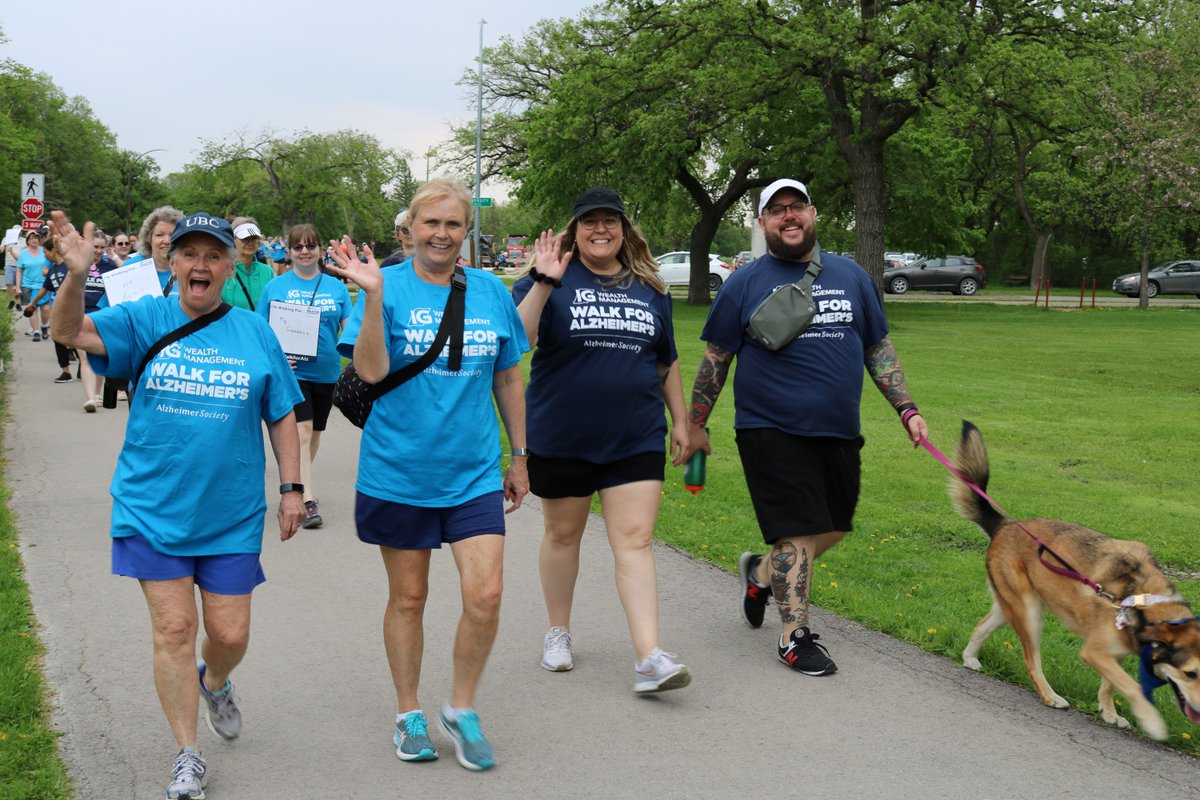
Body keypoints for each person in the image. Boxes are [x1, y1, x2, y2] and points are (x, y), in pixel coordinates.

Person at [47, 208, 305, 800]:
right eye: (189, 253)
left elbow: (284, 413)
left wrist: (293, 489)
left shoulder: (254, 331)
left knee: (230, 634)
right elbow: (70, 332)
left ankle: (214, 681)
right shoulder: (144, 318)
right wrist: (74, 276)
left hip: (231, 511)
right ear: (171, 261)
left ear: (228, 263)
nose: (201, 264)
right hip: (151, 505)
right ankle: (188, 752)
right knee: (174, 627)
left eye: (213, 255)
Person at [686, 178, 929, 676]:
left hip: (838, 428)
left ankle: (759, 572)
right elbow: (717, 358)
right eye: (777, 211)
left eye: (796, 207)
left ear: (813, 214)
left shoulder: (852, 276)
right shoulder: (743, 283)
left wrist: (907, 408)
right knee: (796, 530)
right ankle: (794, 637)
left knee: (834, 526)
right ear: (762, 223)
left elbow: (876, 348)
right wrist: (695, 425)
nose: (788, 216)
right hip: (769, 427)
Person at [325, 178, 529, 772]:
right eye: (430, 223)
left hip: (472, 474)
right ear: (409, 229)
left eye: (453, 225)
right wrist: (369, 300)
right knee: (410, 597)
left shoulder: (491, 291)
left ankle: (461, 709)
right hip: (399, 472)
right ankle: (408, 712)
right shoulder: (382, 287)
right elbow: (369, 369)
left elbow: (509, 377)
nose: (441, 234)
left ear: (467, 233)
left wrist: (520, 455)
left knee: (486, 594)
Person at [512, 187, 692, 693]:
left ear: (623, 229)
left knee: (635, 541)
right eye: (589, 221)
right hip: (562, 434)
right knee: (563, 535)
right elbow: (518, 341)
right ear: (574, 230)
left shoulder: (651, 288)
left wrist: (681, 421)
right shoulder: (548, 278)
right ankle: (558, 632)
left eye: (609, 220)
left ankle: (648, 657)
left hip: (634, 436)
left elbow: (666, 361)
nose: (600, 229)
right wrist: (545, 282)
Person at [257, 224, 352, 529]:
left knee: (314, 434)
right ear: (289, 251)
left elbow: (349, 327)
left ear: (319, 249)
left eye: (310, 246)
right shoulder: (276, 287)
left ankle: (296, 477)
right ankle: (306, 497)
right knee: (302, 431)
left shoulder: (336, 287)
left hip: (326, 371)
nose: (305, 252)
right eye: (298, 247)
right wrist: (276, 359)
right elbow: (261, 331)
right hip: (292, 373)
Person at [26, 231, 73, 384]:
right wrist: (32, 304)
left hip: (75, 307)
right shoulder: (52, 270)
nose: (44, 255)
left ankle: (83, 367)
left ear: (53, 250)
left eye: (45, 251)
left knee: (76, 339)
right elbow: (44, 289)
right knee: (57, 337)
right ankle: (66, 371)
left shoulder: (69, 265)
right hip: (60, 309)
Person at [221, 217, 274, 311]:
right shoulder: (222, 270)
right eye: (245, 238)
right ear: (233, 240)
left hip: (259, 325)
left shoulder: (267, 271)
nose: (250, 243)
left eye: (254, 238)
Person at [16, 231, 51, 340]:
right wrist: (17, 287)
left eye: (36, 238)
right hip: (28, 285)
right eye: (31, 238)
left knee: (45, 308)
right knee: (31, 308)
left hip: (43, 285)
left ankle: (44, 327)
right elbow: (19, 271)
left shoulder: (44, 251)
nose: (34, 240)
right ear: (27, 241)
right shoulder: (23, 254)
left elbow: (51, 264)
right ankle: (36, 332)